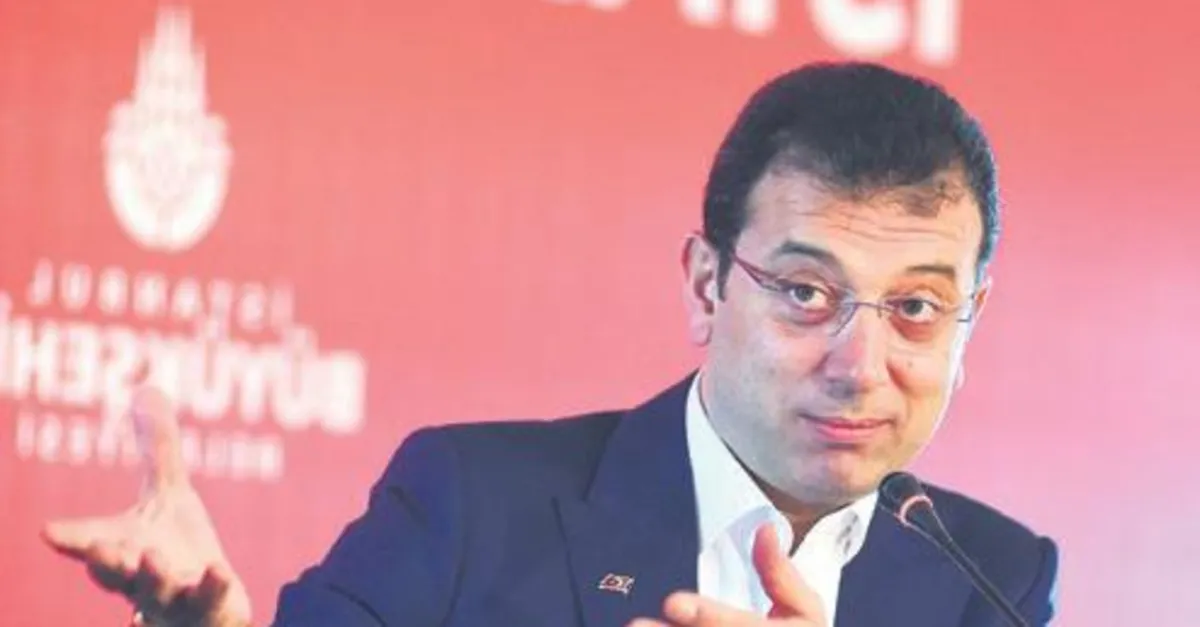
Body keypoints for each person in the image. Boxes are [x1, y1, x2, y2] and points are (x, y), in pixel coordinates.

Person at [42, 61, 1059, 626]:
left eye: (916, 307)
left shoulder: (990, 585)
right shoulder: (473, 504)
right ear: (706, 286)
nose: (861, 363)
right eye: (805, 292)